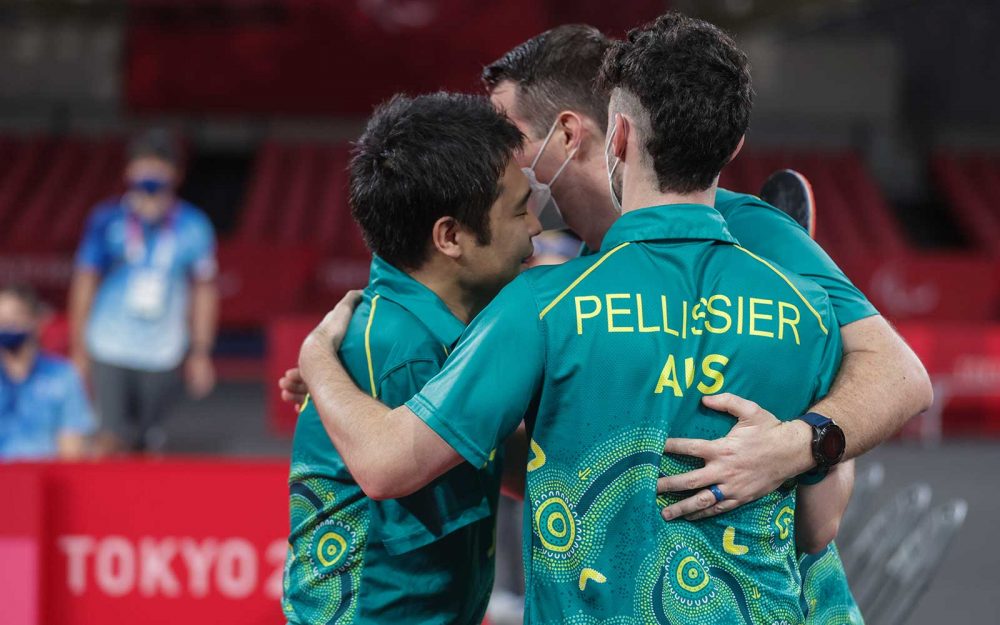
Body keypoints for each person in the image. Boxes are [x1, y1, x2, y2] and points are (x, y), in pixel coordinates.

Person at [297, 13, 851, 622]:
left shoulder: (543, 304)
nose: (535, 221)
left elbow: (390, 462)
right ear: (733, 144)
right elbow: (817, 526)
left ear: (616, 136)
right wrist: (806, 439)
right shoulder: (807, 309)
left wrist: (318, 360)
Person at [281, 93, 541, 625]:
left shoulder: (434, 332)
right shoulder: (403, 352)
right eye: (519, 210)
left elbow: (489, 457)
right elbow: (393, 468)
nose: (536, 227)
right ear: (451, 236)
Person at [68, 129, 219, 453]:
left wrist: (201, 352)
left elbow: (205, 291)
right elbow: (84, 281)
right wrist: (78, 347)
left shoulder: (194, 225)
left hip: (163, 351)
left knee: (145, 440)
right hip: (108, 345)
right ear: (129, 171)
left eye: (158, 168)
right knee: (110, 438)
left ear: (176, 174)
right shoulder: (106, 220)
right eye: (143, 167)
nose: (150, 176)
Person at [0, 284, 95, 460]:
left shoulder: (62, 375)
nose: (6, 324)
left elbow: (71, 448)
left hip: (45, 473)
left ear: (35, 321)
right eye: (1, 318)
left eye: (15, 316)